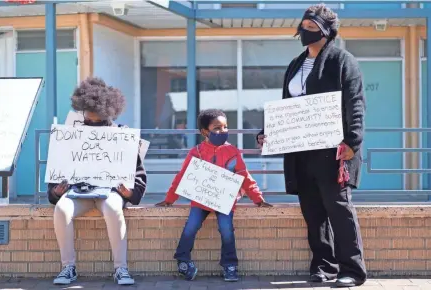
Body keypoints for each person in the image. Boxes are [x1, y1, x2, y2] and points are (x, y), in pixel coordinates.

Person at [257, 4, 366, 288]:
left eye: (311, 28)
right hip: (300, 152)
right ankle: (324, 266)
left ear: (326, 32)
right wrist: (270, 130)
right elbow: (288, 106)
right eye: (303, 26)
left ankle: (352, 271)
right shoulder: (295, 64)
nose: (304, 31)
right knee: (313, 212)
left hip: (334, 151)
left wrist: (352, 141)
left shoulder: (343, 61)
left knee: (339, 209)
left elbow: (355, 104)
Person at [47, 77, 147, 286]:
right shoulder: (71, 135)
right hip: (78, 193)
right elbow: (58, 170)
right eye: (88, 120)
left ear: (109, 114)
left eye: (98, 120)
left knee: (112, 207)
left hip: (109, 192)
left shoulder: (121, 134)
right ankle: (68, 267)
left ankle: (121, 269)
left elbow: (138, 172)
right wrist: (56, 191)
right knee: (62, 209)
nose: (93, 124)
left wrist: (130, 193)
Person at [156, 109, 272, 282]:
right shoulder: (196, 152)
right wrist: (169, 199)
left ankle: (230, 266)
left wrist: (258, 198)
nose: (223, 131)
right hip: (200, 202)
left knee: (227, 231)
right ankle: (183, 261)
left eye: (225, 127)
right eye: (217, 128)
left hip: (226, 202)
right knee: (190, 228)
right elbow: (182, 176)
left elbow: (244, 176)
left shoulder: (232, 152)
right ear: (204, 131)